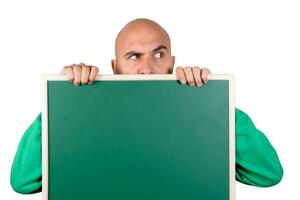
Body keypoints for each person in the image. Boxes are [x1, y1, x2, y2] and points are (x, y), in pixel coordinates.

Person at [11, 18, 283, 194]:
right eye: (133, 56)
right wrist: (61, 103)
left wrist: (217, 105)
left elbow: (267, 174)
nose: (147, 68)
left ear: (172, 62)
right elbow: (24, 182)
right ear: (115, 68)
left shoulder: (197, 116)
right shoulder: (85, 119)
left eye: (158, 54)